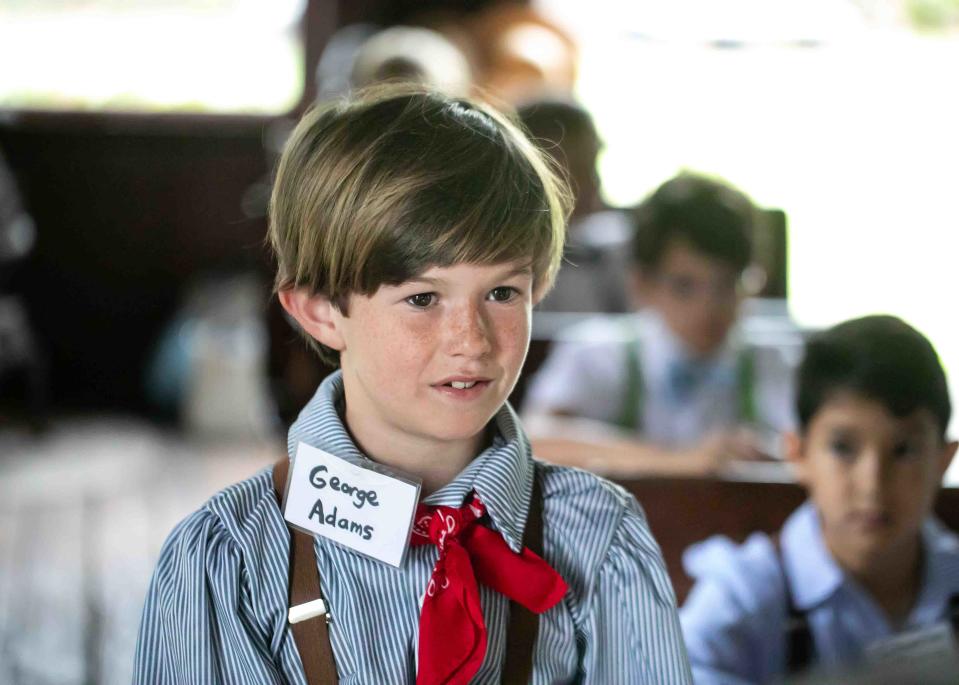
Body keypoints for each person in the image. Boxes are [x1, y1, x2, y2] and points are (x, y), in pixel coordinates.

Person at [134, 84, 691, 684]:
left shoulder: (600, 539)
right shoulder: (225, 560)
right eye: (422, 298)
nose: (470, 339)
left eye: (503, 293)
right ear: (321, 311)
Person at [680, 315, 959, 683]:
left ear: (943, 459)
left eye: (904, 450)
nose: (872, 483)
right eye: (843, 448)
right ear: (798, 453)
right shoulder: (743, 598)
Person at [522, 173, 796, 477]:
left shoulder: (773, 361)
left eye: (727, 285)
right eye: (684, 286)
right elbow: (534, 442)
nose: (708, 307)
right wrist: (682, 461)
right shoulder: (597, 353)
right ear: (641, 284)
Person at [517, 97, 633, 313]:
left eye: (593, 165)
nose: (594, 181)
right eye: (579, 168)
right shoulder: (500, 263)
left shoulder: (606, 254)